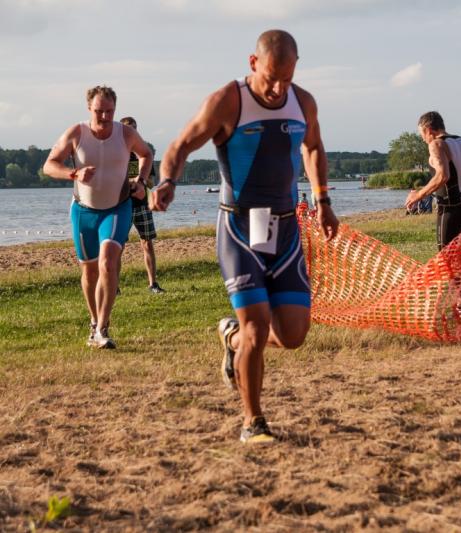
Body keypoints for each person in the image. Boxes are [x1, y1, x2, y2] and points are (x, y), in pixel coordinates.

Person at [151, 30, 339, 444]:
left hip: (284, 228)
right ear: (253, 63)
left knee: (293, 335)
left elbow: (313, 147)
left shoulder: (303, 101)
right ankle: (253, 421)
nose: (278, 89)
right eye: (271, 78)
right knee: (256, 328)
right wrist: (167, 181)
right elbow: (181, 145)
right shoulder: (228, 101)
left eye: (287, 79)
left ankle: (230, 337)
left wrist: (323, 200)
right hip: (239, 227)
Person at [43, 86, 152, 349]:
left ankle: (103, 327)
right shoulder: (76, 133)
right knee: (89, 271)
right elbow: (49, 165)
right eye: (99, 111)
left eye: (109, 111)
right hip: (83, 211)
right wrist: (74, 174)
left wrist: (141, 181)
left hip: (117, 208)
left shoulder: (125, 134)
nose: (104, 116)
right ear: (89, 108)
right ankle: (93, 322)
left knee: (108, 263)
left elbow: (146, 154)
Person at [404, 111, 461, 250]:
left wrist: (418, 195)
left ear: (428, 130)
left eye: (422, 134)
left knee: (445, 257)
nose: (423, 139)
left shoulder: (436, 144)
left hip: (450, 208)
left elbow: (443, 176)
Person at [119, 116, 165, 294]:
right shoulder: (117, 153)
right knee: (118, 247)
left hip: (142, 205)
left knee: (147, 243)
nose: (133, 131)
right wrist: (132, 181)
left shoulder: (143, 153)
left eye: (135, 128)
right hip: (122, 205)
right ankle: (114, 287)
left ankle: (153, 284)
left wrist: (140, 181)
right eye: (129, 128)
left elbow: (152, 181)